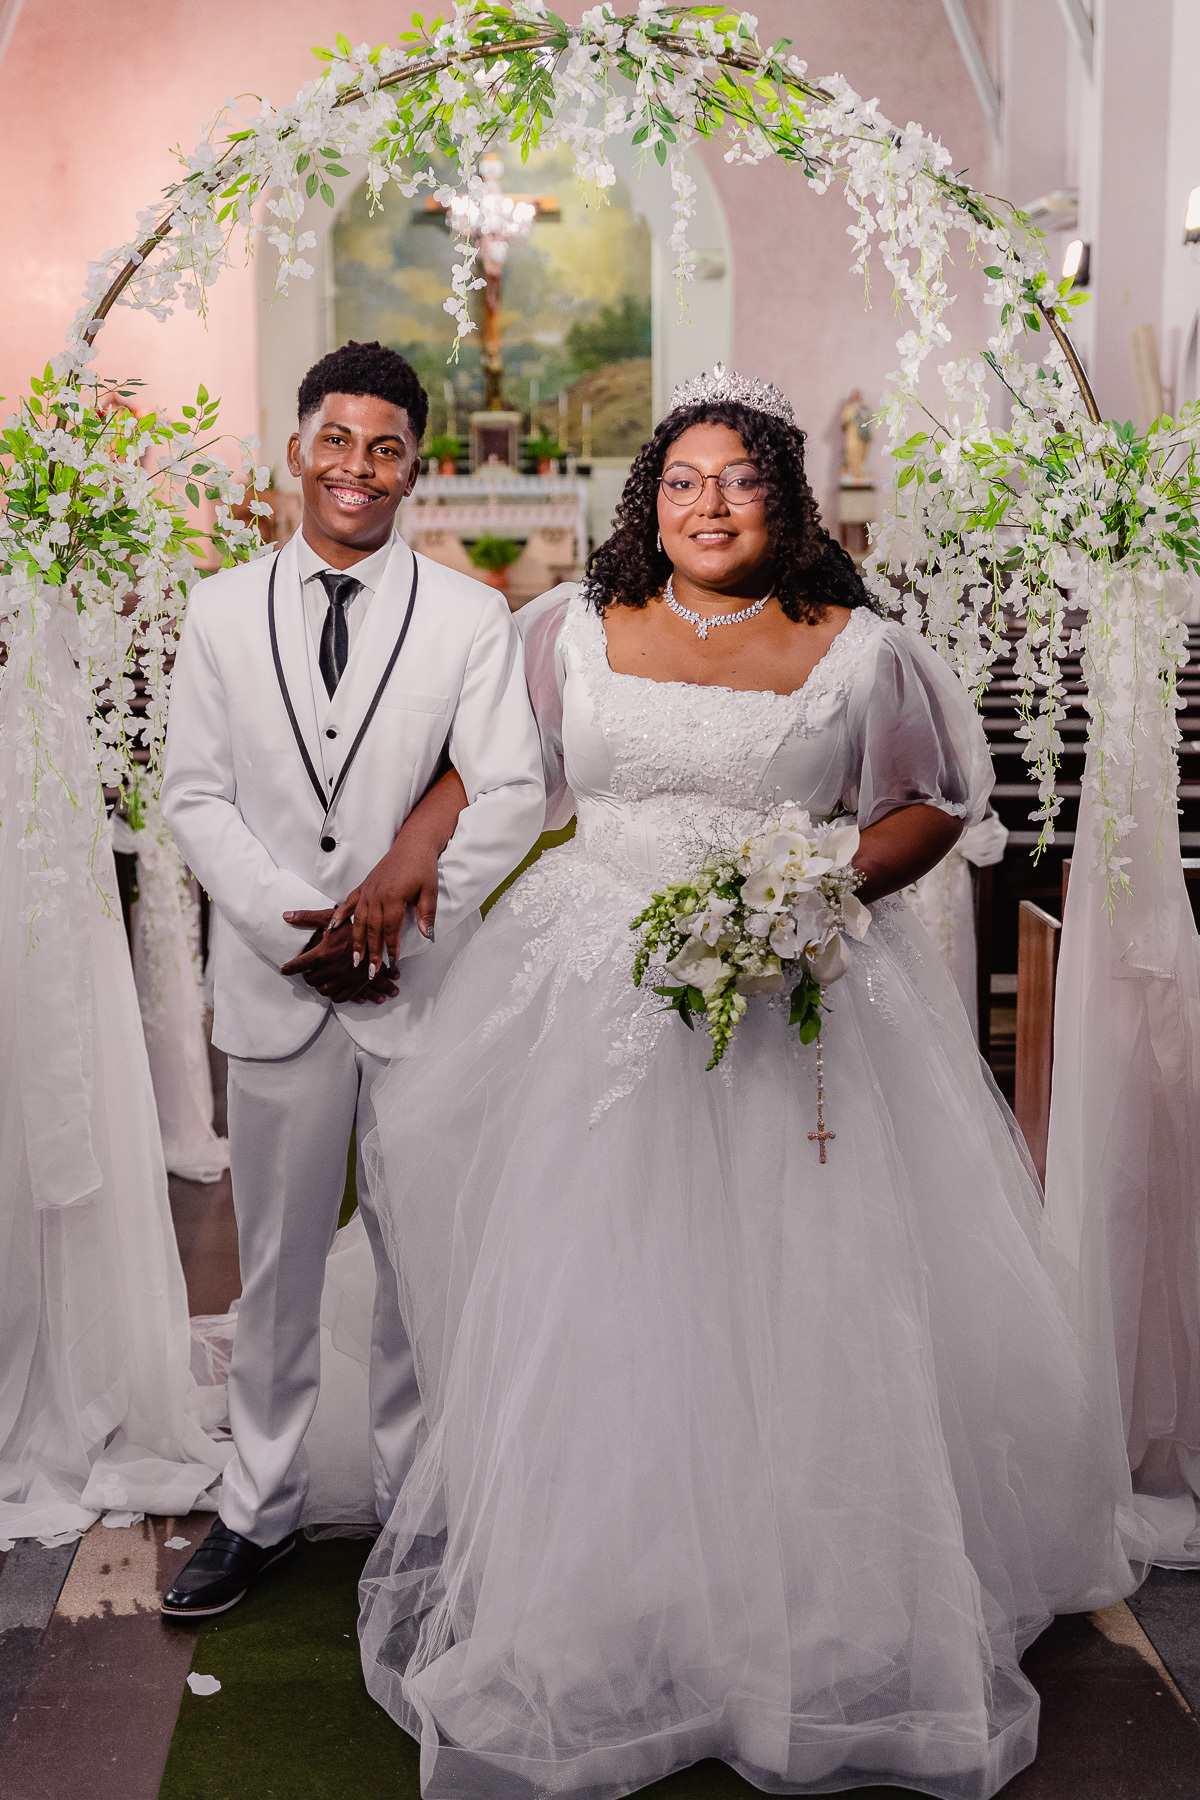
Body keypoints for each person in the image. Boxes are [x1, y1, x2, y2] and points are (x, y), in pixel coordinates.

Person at [342, 364, 1150, 1799]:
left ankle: (817, 1599)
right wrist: (410, 854)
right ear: (649, 500)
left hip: (801, 997)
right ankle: (609, 1586)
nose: (708, 504)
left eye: (740, 479)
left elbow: (928, 803)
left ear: (786, 497)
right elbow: (489, 772)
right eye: (682, 480)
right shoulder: (570, 629)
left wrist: (821, 884)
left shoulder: (859, 648)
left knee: (800, 1280)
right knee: (606, 1280)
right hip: (589, 994)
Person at [156, 341, 545, 1618]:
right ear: (297, 451)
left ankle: (416, 1511)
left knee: (416, 1266)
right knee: (272, 1273)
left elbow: (511, 790)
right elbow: (197, 796)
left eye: (385, 448)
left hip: (423, 993)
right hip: (276, 994)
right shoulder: (217, 609)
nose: (358, 469)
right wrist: (293, 929)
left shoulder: (467, 615)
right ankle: (255, 1510)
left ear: (416, 465)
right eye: (337, 440)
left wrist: (399, 929)